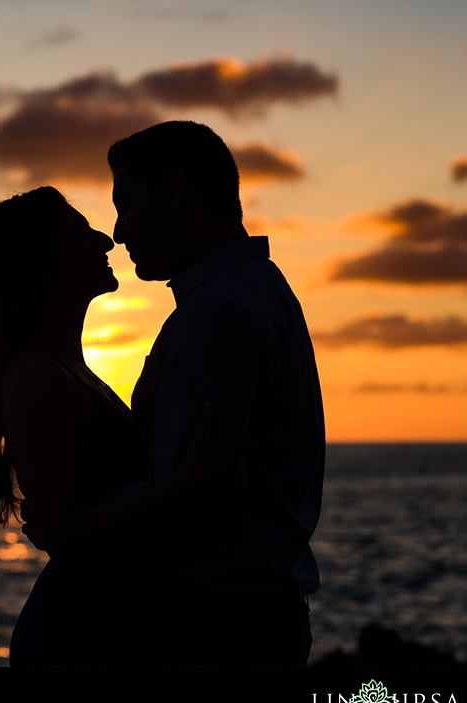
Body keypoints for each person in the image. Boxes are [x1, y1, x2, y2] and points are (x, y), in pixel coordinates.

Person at [0, 185, 252, 666]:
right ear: (46, 271)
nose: (105, 240)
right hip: (79, 633)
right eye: (80, 237)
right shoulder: (35, 376)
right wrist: (187, 488)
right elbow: (61, 532)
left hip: (111, 622)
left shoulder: (67, 367)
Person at [106, 120, 325, 665]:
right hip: (249, 618)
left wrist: (61, 520)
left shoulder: (218, 315)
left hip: (215, 629)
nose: (118, 232)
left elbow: (178, 505)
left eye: (126, 204)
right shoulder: (256, 292)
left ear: (175, 191)